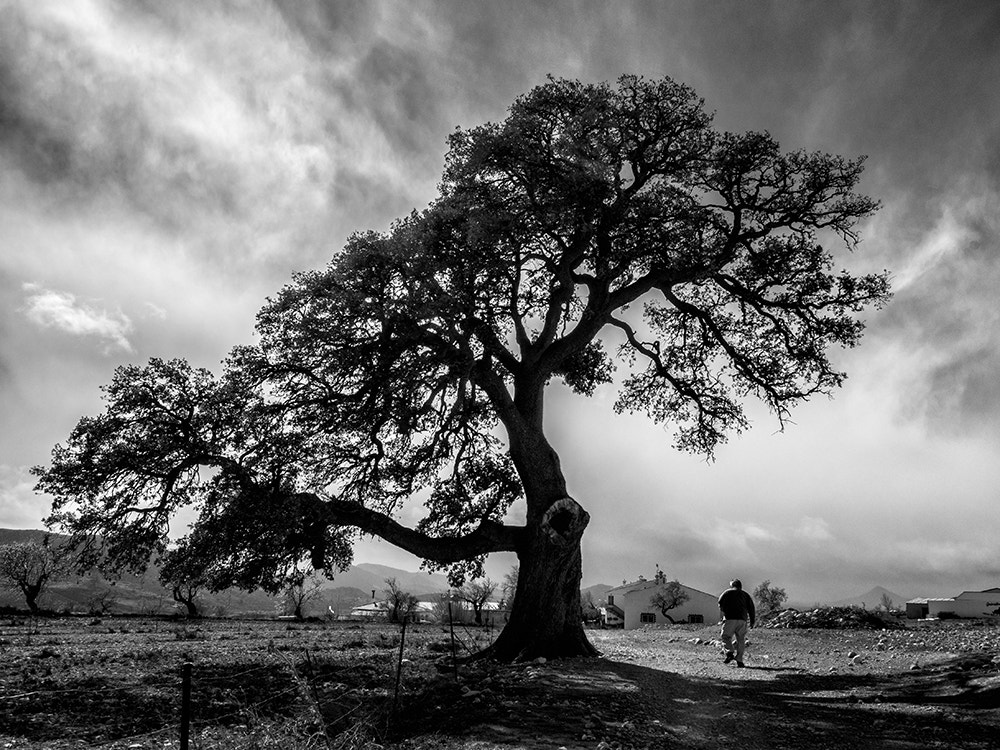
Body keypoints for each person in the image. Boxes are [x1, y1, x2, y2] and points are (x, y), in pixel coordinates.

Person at [718, 578, 755, 667]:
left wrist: (722, 616)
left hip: (730, 618)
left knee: (726, 637)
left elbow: (720, 604)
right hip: (742, 620)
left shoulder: (727, 592)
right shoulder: (746, 595)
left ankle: (730, 653)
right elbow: (751, 609)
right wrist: (752, 621)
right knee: (741, 639)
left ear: (732, 585)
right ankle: (739, 660)